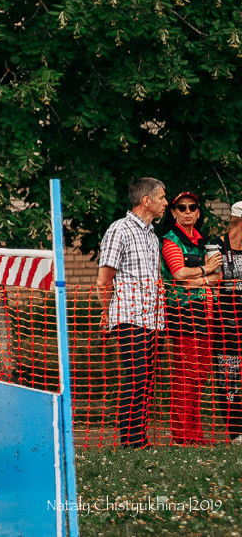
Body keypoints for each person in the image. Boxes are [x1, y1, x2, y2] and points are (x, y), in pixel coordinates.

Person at [96, 177, 168, 448]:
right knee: (136, 376)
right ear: (146, 200)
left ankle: (140, 438)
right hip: (128, 318)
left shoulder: (152, 235)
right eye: (161, 197)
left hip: (154, 320)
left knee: (147, 381)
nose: (165, 202)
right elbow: (104, 280)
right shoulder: (119, 230)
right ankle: (130, 441)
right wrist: (108, 313)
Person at [159, 190, 223, 445]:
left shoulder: (202, 241)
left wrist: (201, 279)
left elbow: (217, 279)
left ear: (198, 212)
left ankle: (195, 433)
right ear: (173, 212)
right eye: (182, 207)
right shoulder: (170, 240)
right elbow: (178, 273)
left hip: (206, 314)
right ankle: (182, 435)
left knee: (200, 375)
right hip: (183, 314)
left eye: (192, 207)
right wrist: (206, 271)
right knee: (186, 376)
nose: (187, 212)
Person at [214, 200, 242, 443]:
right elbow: (211, 281)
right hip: (226, 325)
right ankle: (235, 432)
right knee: (229, 376)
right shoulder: (218, 247)